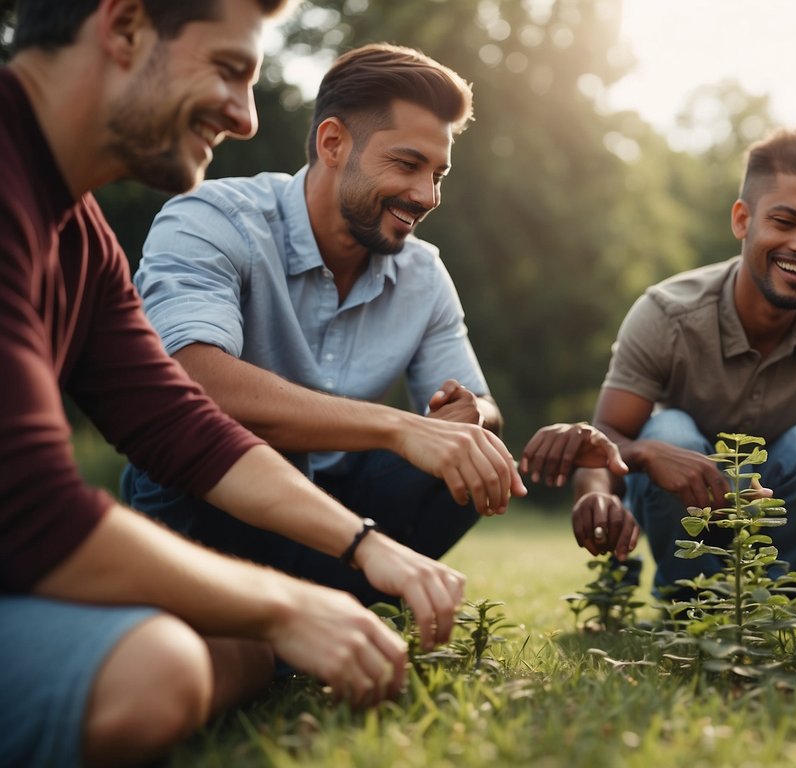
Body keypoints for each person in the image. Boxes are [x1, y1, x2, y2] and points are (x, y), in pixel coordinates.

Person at [0, 2, 477, 765]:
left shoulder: (81, 235)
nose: (247, 117)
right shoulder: (185, 214)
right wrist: (284, 604)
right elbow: (32, 509)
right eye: (229, 70)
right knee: (161, 670)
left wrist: (361, 547)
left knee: (226, 651)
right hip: (81, 541)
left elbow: (177, 424)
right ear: (123, 30)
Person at [120, 43, 527, 606]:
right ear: (333, 143)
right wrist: (400, 428)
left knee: (471, 449)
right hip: (216, 499)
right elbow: (190, 381)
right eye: (407, 165)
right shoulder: (211, 219)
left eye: (437, 173)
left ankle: (325, 604)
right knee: (212, 428)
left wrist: (469, 416)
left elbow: (483, 405)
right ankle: (222, 603)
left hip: (345, 507)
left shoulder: (424, 274)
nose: (427, 195)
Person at [572, 126, 796, 596]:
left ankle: (782, 603)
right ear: (742, 220)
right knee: (667, 431)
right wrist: (620, 475)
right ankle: (689, 600)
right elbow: (604, 441)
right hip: (677, 512)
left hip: (781, 512)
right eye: (785, 221)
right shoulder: (665, 313)